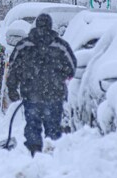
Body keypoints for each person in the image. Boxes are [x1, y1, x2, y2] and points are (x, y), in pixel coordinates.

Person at [4, 13, 75, 156]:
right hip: (54, 94)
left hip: (31, 94)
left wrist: (12, 88)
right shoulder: (60, 46)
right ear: (50, 26)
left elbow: (13, 68)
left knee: (32, 125)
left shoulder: (24, 45)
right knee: (53, 125)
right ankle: (52, 152)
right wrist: (58, 75)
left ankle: (34, 153)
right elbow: (71, 68)